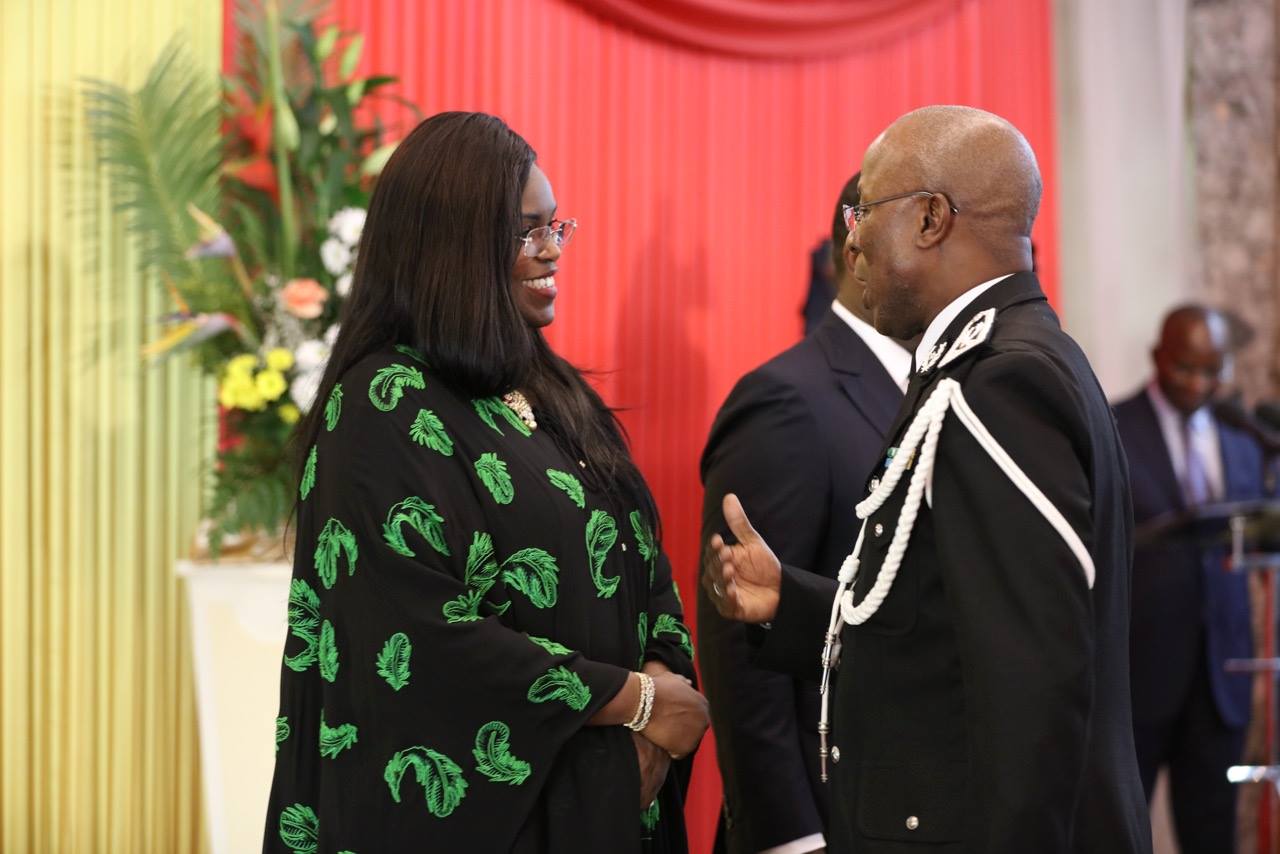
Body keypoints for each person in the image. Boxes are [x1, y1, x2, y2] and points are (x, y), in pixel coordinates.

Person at [702, 105, 1151, 853]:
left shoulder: (998, 384)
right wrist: (793, 601)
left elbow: (1031, 691)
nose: (850, 239)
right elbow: (939, 632)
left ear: (931, 219)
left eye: (863, 211)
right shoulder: (992, 360)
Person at [263, 111, 708, 854]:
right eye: (525, 231)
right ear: (452, 248)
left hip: (609, 799)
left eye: (556, 225)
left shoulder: (552, 385)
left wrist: (657, 703)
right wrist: (634, 701)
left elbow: (639, 552)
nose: (551, 250)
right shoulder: (383, 403)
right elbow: (421, 638)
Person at [697, 172, 907, 854]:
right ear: (858, 249)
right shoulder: (786, 400)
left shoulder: (951, 386)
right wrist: (786, 834)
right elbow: (739, 642)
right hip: (827, 819)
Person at [1115, 306, 1266, 854]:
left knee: (1213, 835)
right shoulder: (1113, 428)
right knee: (1122, 832)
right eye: (1185, 368)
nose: (1199, 384)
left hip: (1221, 675)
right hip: (1141, 674)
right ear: (1158, 357)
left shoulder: (1243, 438)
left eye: (1212, 371)